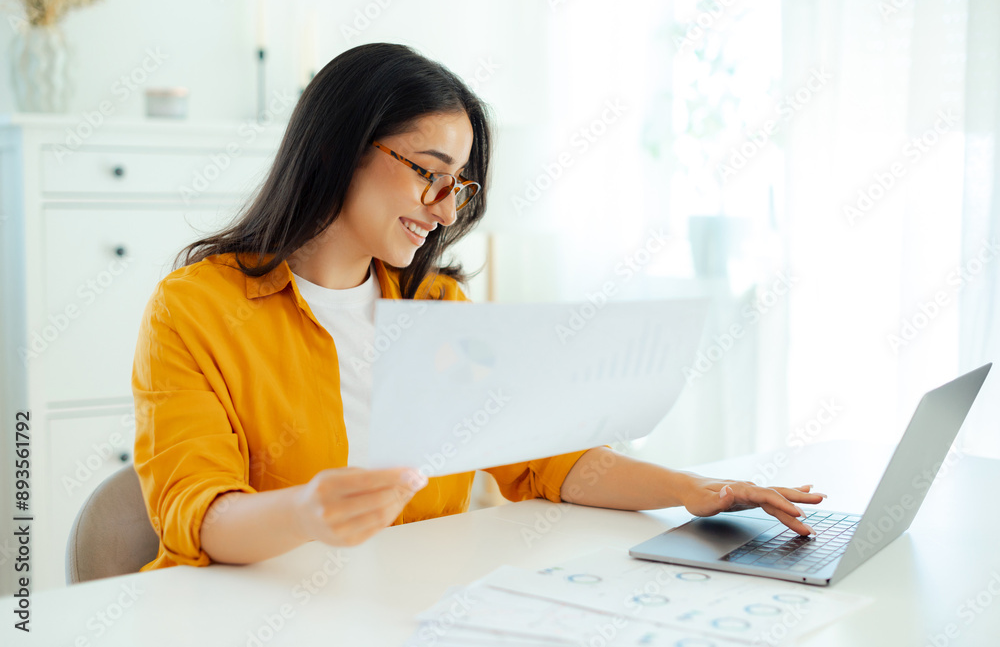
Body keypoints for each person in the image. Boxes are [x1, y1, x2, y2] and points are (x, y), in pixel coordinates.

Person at [131, 43, 824, 571]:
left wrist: (699, 489)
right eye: (430, 173)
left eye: (457, 186)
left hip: (403, 603)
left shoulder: (437, 306)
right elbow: (196, 515)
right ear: (340, 149)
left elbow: (545, 462)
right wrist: (307, 513)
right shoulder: (195, 308)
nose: (443, 208)